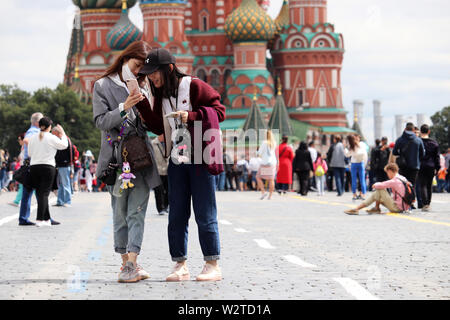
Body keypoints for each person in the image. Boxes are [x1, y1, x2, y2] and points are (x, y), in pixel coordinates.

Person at [135, 47, 225, 281]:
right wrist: (142, 103)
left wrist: (191, 116)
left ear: (169, 69)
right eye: (149, 73)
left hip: (201, 157)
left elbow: (219, 111)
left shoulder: (193, 85)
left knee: (205, 213)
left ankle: (212, 264)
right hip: (178, 158)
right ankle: (179, 264)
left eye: (154, 72)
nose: (151, 77)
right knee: (176, 214)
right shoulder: (160, 96)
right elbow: (158, 126)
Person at [93, 40, 161, 283]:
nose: (138, 71)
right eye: (137, 65)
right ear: (126, 58)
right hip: (117, 158)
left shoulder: (146, 85)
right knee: (120, 212)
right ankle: (126, 264)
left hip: (141, 157)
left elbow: (153, 122)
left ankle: (132, 262)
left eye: (143, 68)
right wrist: (125, 107)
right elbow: (101, 122)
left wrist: (145, 105)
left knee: (138, 211)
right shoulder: (102, 85)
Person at [28, 117, 67, 226]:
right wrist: (63, 133)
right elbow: (64, 145)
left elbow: (30, 153)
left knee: (40, 193)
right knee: (44, 194)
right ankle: (40, 219)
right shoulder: (51, 137)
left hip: (34, 166)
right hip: (48, 166)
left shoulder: (32, 137)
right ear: (49, 127)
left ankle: (47, 218)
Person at [344, 163, 411, 215]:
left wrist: (375, 185)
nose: (387, 175)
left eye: (387, 173)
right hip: (404, 207)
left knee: (380, 190)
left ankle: (357, 209)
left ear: (390, 171)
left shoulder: (395, 180)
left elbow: (381, 185)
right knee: (379, 192)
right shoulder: (402, 178)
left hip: (397, 208)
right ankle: (376, 208)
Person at [18, 112, 43, 226]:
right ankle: (42, 217)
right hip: (33, 163)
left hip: (31, 164)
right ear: (37, 122)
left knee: (33, 192)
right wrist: (36, 151)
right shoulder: (34, 131)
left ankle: (25, 218)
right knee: (37, 192)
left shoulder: (33, 130)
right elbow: (26, 141)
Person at [392, 122, 425, 186]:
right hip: (415, 166)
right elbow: (423, 154)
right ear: (413, 130)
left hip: (403, 166)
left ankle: (404, 196)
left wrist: (401, 154)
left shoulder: (399, 140)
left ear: (405, 129)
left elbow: (394, 152)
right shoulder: (418, 140)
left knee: (403, 185)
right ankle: (412, 195)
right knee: (412, 185)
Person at [418, 124, 440, 212]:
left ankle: (425, 204)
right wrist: (437, 168)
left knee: (422, 185)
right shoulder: (434, 143)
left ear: (420, 131)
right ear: (429, 131)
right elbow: (437, 157)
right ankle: (428, 203)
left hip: (421, 165)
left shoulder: (418, 142)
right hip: (431, 166)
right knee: (429, 185)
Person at [53, 127, 75, 207]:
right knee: (61, 185)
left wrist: (68, 162)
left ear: (58, 133)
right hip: (61, 164)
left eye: (54, 133)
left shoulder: (65, 140)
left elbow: (70, 152)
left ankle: (67, 201)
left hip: (65, 164)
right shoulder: (62, 140)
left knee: (65, 184)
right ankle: (60, 201)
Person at [151, 135, 170, 215]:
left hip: (167, 170)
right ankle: (160, 208)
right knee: (159, 191)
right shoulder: (153, 143)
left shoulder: (169, 143)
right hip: (157, 171)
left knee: (168, 190)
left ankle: (166, 206)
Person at [256, 130, 277, 200]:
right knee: (271, 180)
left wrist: (257, 153)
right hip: (272, 163)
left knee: (258, 177)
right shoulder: (274, 143)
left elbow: (259, 153)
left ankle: (263, 191)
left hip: (265, 163)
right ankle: (270, 196)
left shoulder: (264, 143)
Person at [345, 135, 368, 200]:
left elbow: (347, 155)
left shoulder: (351, 146)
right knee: (362, 180)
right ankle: (363, 194)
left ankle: (354, 194)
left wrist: (345, 149)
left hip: (353, 164)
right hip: (361, 163)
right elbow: (365, 154)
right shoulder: (361, 144)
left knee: (354, 180)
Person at [9, 134, 25, 207]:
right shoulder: (23, 147)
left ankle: (16, 201)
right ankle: (16, 201)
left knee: (27, 186)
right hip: (23, 167)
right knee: (23, 185)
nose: (18, 141)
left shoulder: (26, 147)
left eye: (19, 139)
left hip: (26, 168)